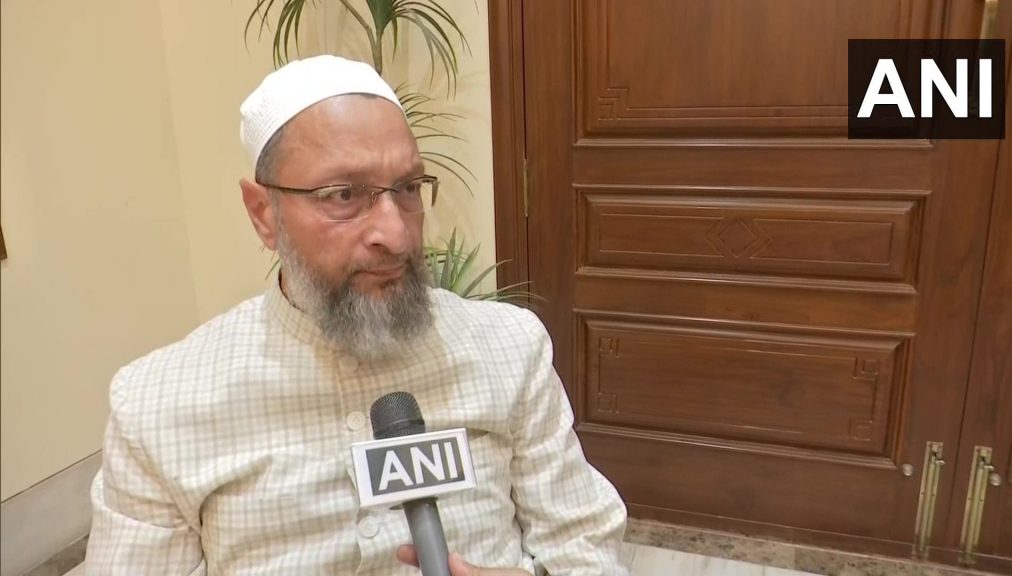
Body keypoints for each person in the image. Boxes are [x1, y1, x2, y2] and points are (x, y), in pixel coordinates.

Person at [84, 55, 628, 575]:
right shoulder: (158, 405)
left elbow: (587, 544)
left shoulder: (509, 347)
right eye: (343, 194)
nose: (396, 235)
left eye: (408, 188)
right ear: (263, 213)